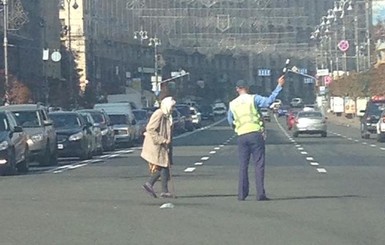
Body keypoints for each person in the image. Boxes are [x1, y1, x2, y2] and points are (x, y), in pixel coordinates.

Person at [227, 76, 285, 201]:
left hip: (241, 136)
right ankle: (260, 194)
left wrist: (237, 128)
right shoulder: (254, 98)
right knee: (259, 164)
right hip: (255, 134)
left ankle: (242, 194)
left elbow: (230, 120)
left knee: (243, 165)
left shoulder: (232, 103)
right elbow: (269, 101)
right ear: (247, 88)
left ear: (237, 89)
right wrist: (279, 86)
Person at [141, 96, 175, 198]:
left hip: (163, 145)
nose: (173, 109)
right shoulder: (159, 114)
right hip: (155, 145)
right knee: (162, 166)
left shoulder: (167, 115)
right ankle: (149, 184)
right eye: (172, 106)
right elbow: (150, 129)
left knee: (164, 166)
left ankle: (164, 190)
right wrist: (162, 140)